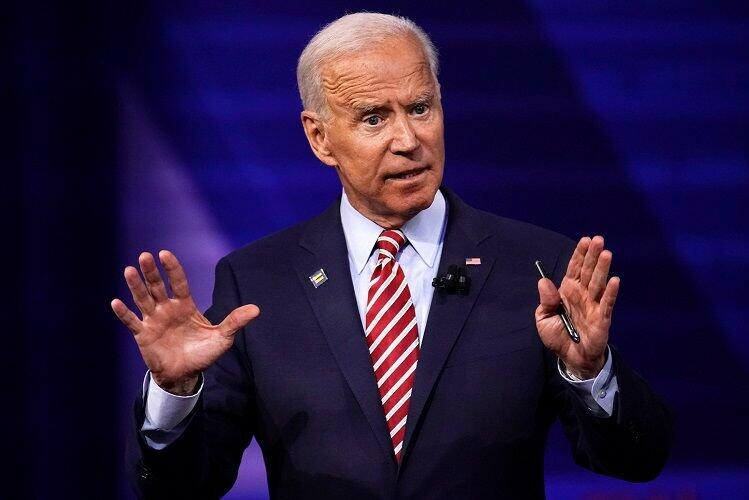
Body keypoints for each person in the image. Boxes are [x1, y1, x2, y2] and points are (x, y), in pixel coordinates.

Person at [112, 12, 672, 499]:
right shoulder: (257, 280)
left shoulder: (538, 266)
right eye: (374, 118)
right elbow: (182, 489)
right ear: (319, 138)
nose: (408, 140)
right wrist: (175, 394)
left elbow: (637, 460)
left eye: (421, 108)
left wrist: (590, 372)